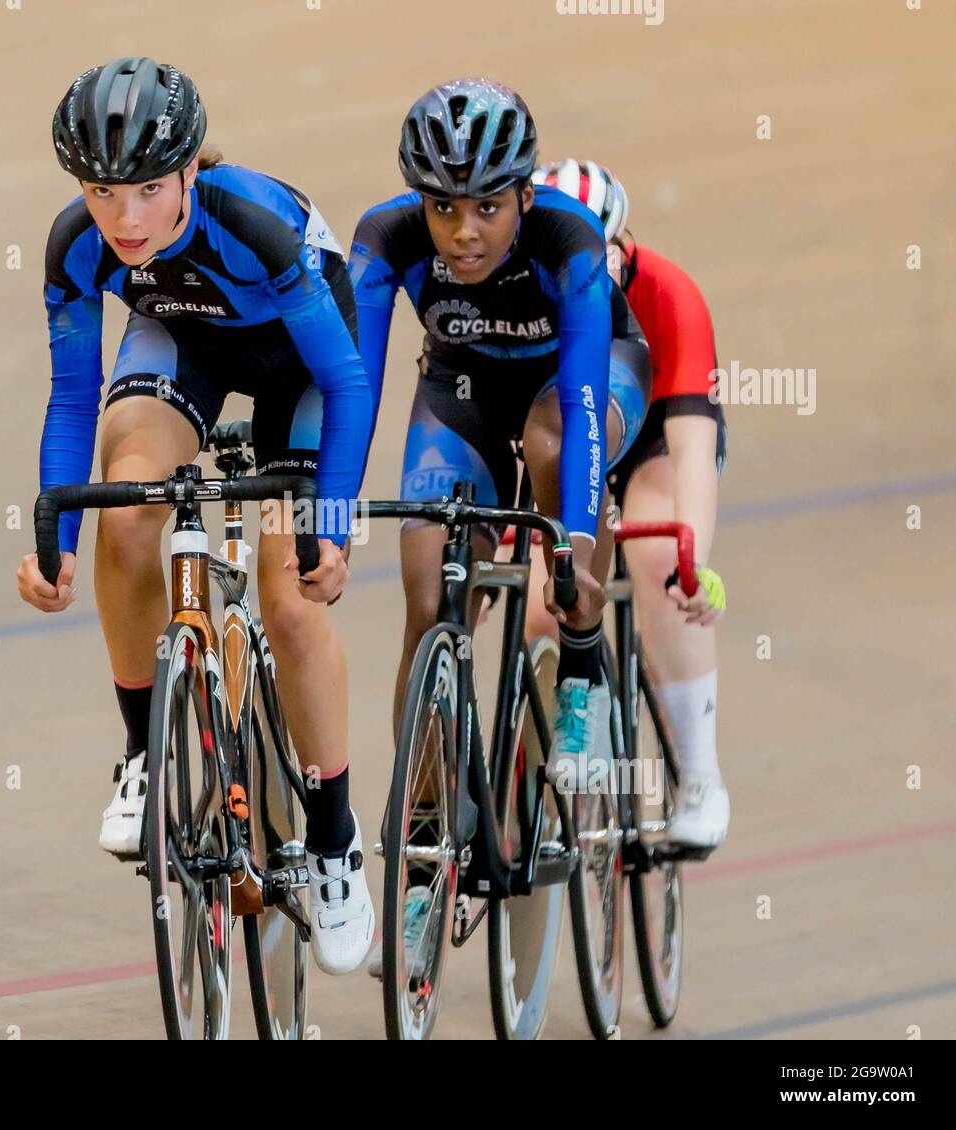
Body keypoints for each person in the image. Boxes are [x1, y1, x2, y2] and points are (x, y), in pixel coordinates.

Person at [15, 57, 375, 973]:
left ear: (186, 175)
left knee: (289, 599)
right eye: (101, 191)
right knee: (127, 504)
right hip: (186, 341)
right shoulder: (76, 246)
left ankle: (334, 838)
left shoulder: (253, 223)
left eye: (146, 191)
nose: (124, 219)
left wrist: (328, 524)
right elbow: (72, 398)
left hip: (300, 368)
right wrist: (54, 541)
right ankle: (143, 754)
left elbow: (343, 377)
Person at [349, 79, 651, 976]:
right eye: (443, 207)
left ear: (525, 194)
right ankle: (423, 849)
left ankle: (584, 669)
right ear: (417, 203)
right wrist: (330, 507)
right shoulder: (386, 238)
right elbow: (356, 391)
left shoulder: (570, 239)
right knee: (425, 595)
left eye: (488, 205)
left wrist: (568, 548)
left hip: (581, 387)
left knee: (551, 439)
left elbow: (589, 408)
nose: (465, 231)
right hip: (460, 396)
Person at [532, 158, 729, 847]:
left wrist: (691, 558)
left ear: (626, 243)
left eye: (604, 250)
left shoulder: (670, 296)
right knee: (537, 598)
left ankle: (700, 775)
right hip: (569, 429)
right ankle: (536, 770)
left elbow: (694, 453)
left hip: (652, 441)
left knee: (653, 556)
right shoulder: (532, 292)